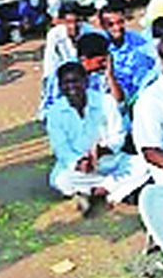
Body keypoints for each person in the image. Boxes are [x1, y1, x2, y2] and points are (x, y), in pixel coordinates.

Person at [44, 61, 149, 217]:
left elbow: (119, 135)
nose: (71, 87)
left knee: (144, 166)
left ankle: (98, 192)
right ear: (60, 86)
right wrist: (79, 163)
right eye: (66, 83)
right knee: (59, 180)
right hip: (80, 169)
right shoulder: (55, 112)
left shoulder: (106, 101)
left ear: (86, 81)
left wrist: (103, 150)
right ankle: (109, 191)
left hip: (111, 162)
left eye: (75, 81)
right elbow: (61, 148)